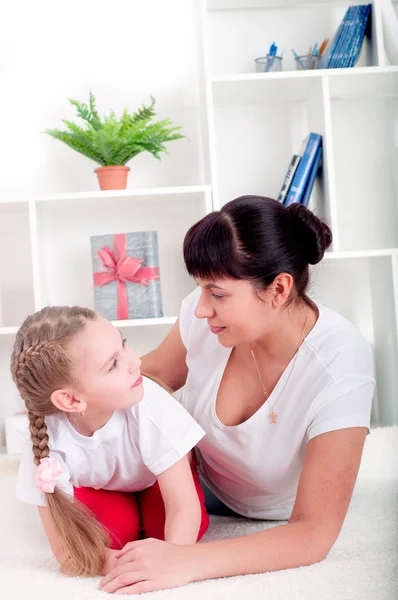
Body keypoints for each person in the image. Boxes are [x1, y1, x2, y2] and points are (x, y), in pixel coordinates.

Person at [99, 195, 375, 595]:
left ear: (279, 288)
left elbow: (314, 533)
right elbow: (153, 376)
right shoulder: (208, 318)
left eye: (218, 294)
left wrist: (188, 562)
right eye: (200, 290)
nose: (200, 309)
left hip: (271, 515)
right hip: (190, 482)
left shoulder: (340, 360)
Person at [11, 306, 209, 577]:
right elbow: (67, 549)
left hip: (158, 482)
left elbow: (182, 506)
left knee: (174, 530)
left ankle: (145, 515)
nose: (136, 361)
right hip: (105, 487)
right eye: (113, 364)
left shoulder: (150, 404)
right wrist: (114, 563)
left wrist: (168, 565)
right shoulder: (42, 437)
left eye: (124, 344)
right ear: (70, 399)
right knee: (108, 538)